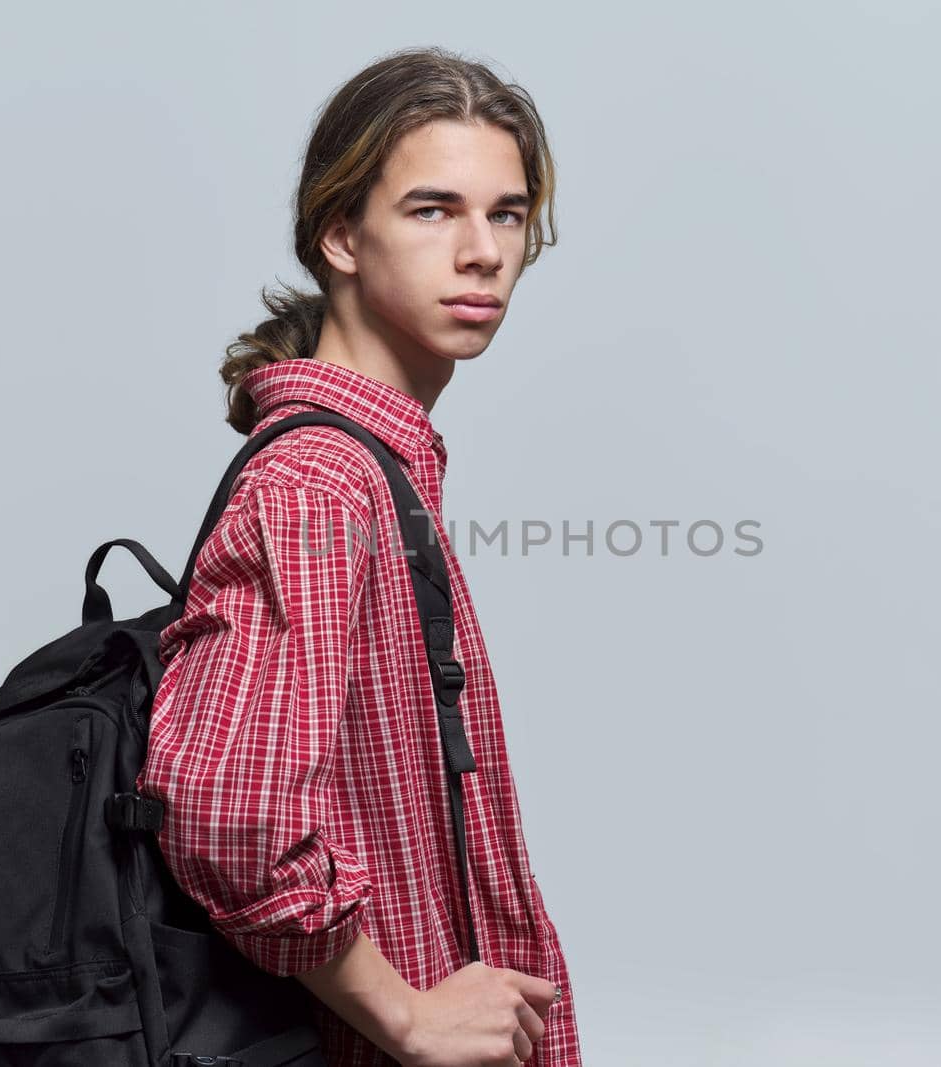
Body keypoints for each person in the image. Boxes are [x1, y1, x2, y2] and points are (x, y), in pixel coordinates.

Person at [136, 46, 581, 1067]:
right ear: (341, 233)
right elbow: (232, 814)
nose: (482, 252)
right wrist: (408, 1014)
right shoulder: (321, 485)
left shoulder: (375, 468)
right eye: (433, 210)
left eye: (506, 213)